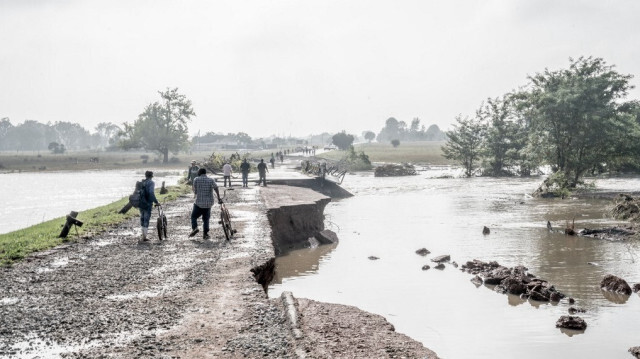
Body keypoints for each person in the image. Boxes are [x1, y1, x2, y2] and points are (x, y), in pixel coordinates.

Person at [190, 168, 221, 240]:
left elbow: (195, 190)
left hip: (198, 203)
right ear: (205, 173)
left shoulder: (196, 179)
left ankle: (195, 228)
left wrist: (196, 192)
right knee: (206, 219)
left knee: (193, 217)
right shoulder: (211, 180)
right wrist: (219, 198)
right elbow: (216, 188)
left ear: (200, 172)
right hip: (208, 203)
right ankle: (205, 234)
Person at [139, 170, 160, 241]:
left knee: (142, 218)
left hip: (140, 203)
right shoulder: (151, 182)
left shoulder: (142, 182)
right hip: (147, 203)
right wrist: (156, 202)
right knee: (146, 219)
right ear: (151, 176)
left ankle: (143, 235)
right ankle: (144, 237)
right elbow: (151, 193)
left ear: (145, 175)